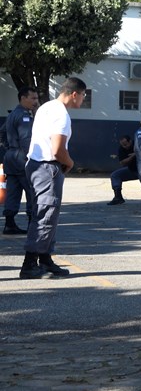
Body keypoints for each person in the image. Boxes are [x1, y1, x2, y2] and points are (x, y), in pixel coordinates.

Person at [19, 77, 86, 279]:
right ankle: (29, 264)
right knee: (45, 216)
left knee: (45, 214)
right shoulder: (62, 115)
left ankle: (45, 259)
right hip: (48, 167)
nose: (83, 99)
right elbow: (57, 150)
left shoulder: (46, 107)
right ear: (75, 94)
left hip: (35, 165)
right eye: (83, 95)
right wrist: (71, 163)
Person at [2, 86, 39, 235]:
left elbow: (2, 132)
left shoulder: (13, 114)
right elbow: (26, 139)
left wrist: (9, 148)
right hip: (21, 158)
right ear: (23, 98)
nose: (36, 102)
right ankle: (32, 224)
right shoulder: (24, 116)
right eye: (33, 98)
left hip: (10, 157)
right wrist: (29, 157)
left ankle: (9, 224)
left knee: (13, 191)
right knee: (32, 190)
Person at [107, 135, 138, 206]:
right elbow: (122, 163)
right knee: (115, 175)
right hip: (132, 170)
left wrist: (137, 153)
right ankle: (118, 197)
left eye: (126, 144)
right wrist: (133, 156)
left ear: (130, 141)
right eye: (123, 145)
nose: (124, 146)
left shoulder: (138, 144)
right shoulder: (121, 148)